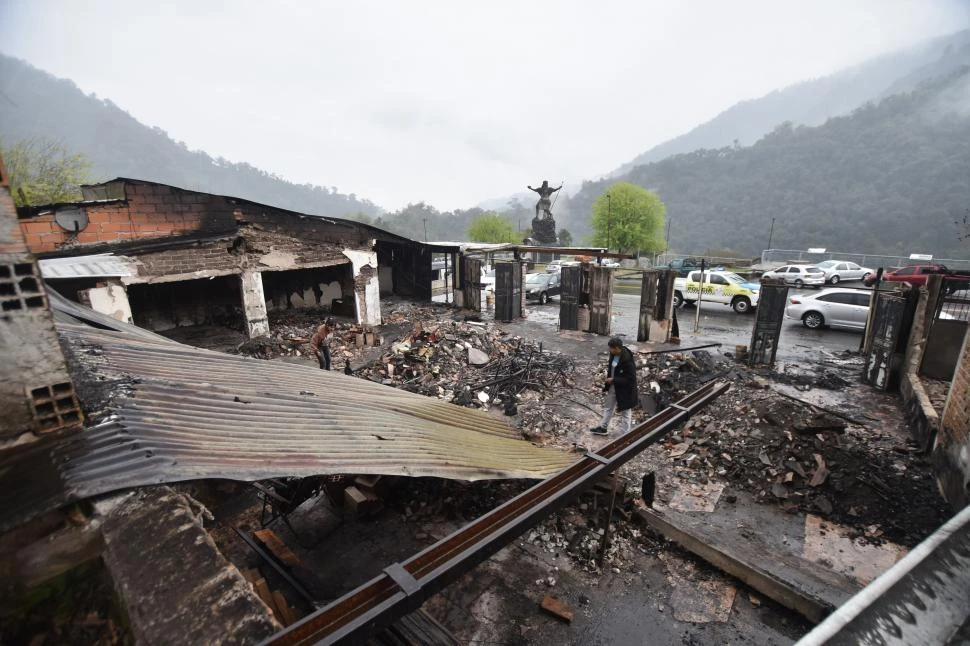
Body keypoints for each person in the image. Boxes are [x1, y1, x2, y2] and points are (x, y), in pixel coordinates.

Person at [591, 337, 637, 436]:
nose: (609, 350)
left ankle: (625, 434)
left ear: (617, 348)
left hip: (625, 390)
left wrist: (614, 379)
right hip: (613, 387)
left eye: (611, 348)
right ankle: (603, 428)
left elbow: (631, 379)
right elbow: (611, 369)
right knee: (608, 407)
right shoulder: (613, 354)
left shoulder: (627, 360)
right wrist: (608, 383)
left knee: (626, 412)